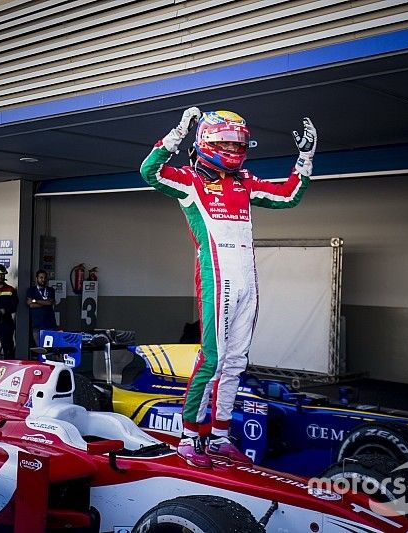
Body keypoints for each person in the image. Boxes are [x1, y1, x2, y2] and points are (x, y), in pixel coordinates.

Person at [140, 107, 316, 468]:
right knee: (213, 359)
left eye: (238, 141)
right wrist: (177, 132)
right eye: (224, 141)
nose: (233, 148)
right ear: (205, 141)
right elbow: (149, 171)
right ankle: (189, 435)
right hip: (217, 276)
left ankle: (220, 437)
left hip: (249, 279)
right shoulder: (189, 180)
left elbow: (289, 196)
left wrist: (305, 157)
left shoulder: (245, 180)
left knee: (236, 362)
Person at [27, 269, 57, 347]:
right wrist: (45, 303)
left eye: (45, 278)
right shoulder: (31, 290)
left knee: (51, 349)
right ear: (36, 278)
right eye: (41, 277)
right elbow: (31, 305)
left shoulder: (50, 290)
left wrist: (35, 300)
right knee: (40, 349)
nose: (43, 279)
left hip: (50, 325)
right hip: (37, 325)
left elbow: (50, 302)